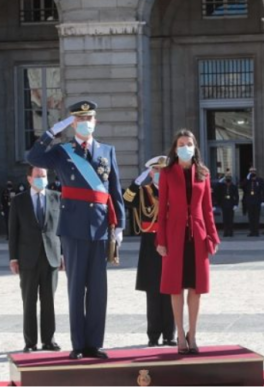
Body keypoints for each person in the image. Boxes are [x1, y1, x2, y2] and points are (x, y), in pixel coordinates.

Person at [27, 101, 125, 360]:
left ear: (96, 121)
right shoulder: (63, 151)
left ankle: (95, 342)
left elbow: (114, 189)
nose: (84, 122)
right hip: (73, 226)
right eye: (79, 119)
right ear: (72, 123)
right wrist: (52, 132)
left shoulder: (107, 150)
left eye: (89, 117)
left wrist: (120, 226)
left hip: (101, 226)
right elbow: (33, 157)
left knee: (98, 289)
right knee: (76, 287)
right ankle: (79, 344)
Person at [156, 129, 220, 356]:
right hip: (174, 236)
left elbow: (207, 209)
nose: (185, 147)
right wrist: (160, 239)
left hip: (198, 236)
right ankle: (180, 336)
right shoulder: (166, 173)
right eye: (181, 144)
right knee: (176, 288)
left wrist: (213, 236)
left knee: (196, 288)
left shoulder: (203, 172)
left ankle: (193, 334)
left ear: (195, 147)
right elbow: (161, 209)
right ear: (175, 148)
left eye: (189, 143)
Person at [9, 166, 62, 353]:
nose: (41, 179)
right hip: (27, 258)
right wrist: (13, 257)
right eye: (38, 176)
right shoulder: (19, 201)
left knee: (49, 300)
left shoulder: (56, 197)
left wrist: (62, 254)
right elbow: (13, 231)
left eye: (44, 176)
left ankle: (49, 339)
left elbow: (61, 228)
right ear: (29, 179)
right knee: (29, 300)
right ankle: (30, 342)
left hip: (51, 257)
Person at [124, 155, 176, 347]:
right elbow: (126, 200)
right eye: (157, 170)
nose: (160, 174)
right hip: (150, 245)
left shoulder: (174, 191)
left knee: (171, 291)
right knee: (153, 293)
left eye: (164, 170)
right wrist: (137, 182)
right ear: (151, 172)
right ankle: (153, 335)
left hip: (171, 245)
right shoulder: (144, 191)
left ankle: (170, 335)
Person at [241, 167, 264, 237]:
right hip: (249, 201)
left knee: (256, 217)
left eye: (253, 171)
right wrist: (247, 178)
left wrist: (263, 200)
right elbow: (241, 186)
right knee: (250, 217)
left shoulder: (260, 180)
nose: (252, 173)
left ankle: (256, 231)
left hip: (257, 201)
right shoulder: (248, 181)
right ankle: (251, 231)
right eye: (251, 171)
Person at [214, 172, 238, 237]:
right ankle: (226, 232)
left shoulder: (233, 186)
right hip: (224, 204)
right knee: (225, 219)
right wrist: (222, 179)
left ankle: (231, 232)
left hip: (231, 204)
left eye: (229, 178)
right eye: (227, 178)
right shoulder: (222, 186)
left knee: (230, 219)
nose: (228, 179)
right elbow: (216, 186)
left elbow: (236, 196)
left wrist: (236, 204)